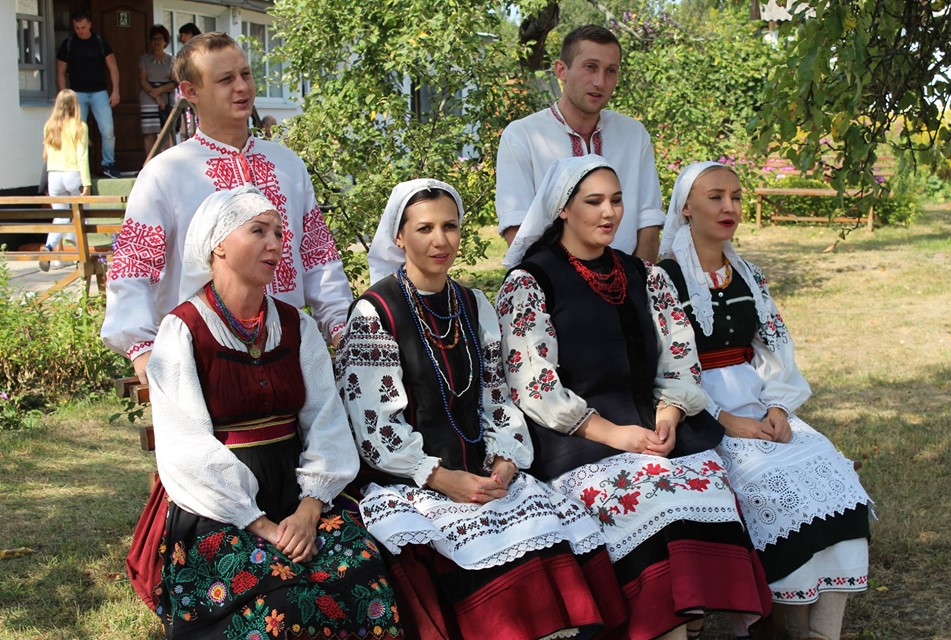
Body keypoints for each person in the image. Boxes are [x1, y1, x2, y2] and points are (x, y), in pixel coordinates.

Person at [336, 178, 627, 639]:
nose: (440, 241)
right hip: (413, 482)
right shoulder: (376, 313)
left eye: (449, 226)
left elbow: (497, 397)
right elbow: (375, 427)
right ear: (399, 237)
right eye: (424, 228)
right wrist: (442, 478)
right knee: (483, 568)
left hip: (482, 474)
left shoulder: (472, 303)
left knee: (547, 533)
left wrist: (506, 460)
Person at [497, 155, 771, 640]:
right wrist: (616, 435)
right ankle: (662, 626)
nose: (609, 213)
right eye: (594, 202)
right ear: (563, 208)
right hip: (578, 439)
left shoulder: (645, 275)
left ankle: (688, 623)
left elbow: (680, 357)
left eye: (617, 200)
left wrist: (669, 414)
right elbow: (534, 385)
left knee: (705, 488)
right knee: (651, 505)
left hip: (652, 427)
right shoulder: (531, 282)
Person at [142, 185, 403, 639]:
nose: (275, 244)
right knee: (281, 606)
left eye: (279, 233)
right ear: (218, 245)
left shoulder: (296, 325)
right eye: (258, 231)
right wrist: (258, 523)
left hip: (297, 491)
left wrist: (309, 509)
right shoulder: (182, 330)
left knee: (361, 573)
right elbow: (187, 445)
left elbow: (325, 419)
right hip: (217, 503)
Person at [658, 162, 873, 640]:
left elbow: (775, 347)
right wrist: (722, 419)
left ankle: (821, 630)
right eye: (715, 197)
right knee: (770, 488)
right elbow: (665, 367)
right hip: (697, 410)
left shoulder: (748, 274)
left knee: (835, 477)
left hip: (756, 401)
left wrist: (777, 406)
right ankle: (780, 616)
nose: (729, 207)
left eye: (736, 196)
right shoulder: (663, 280)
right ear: (686, 208)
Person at [102, 32, 352, 386]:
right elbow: (134, 263)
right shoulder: (166, 173)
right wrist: (140, 346)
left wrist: (341, 326)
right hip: (202, 359)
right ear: (190, 92)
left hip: (288, 350)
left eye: (245, 74)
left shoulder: (287, 165)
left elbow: (317, 255)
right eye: (225, 79)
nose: (242, 87)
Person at [496, 25, 663, 263]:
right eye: (590, 67)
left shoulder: (634, 135)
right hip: (549, 281)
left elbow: (649, 222)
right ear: (561, 70)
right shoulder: (523, 136)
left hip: (627, 279)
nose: (600, 82)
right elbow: (518, 230)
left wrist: (636, 278)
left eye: (611, 71)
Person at [56, 9, 120, 178]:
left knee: (108, 130)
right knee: (76, 131)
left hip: (99, 92)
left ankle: (108, 164)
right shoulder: (69, 44)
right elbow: (60, 72)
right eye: (77, 28)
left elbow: (113, 67)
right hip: (77, 94)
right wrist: (64, 96)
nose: (80, 31)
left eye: (83, 27)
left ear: (90, 25)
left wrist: (116, 91)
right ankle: (78, 167)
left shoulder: (100, 42)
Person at [39, 89, 91, 272]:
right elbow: (82, 156)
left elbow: (45, 154)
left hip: (54, 175)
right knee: (82, 214)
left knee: (60, 216)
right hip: (73, 173)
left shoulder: (49, 126)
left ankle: (49, 248)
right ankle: (80, 252)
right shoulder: (80, 126)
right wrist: (87, 182)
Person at [139, 25, 176, 155]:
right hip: (148, 97)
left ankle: (166, 164)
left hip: (166, 98)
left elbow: (175, 82)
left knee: (166, 133)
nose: (156, 42)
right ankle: (149, 163)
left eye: (160, 38)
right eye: (154, 39)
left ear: (165, 41)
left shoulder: (172, 60)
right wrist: (156, 95)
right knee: (149, 133)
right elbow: (142, 80)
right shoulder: (144, 59)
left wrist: (160, 91)